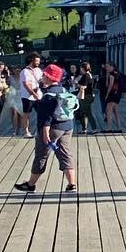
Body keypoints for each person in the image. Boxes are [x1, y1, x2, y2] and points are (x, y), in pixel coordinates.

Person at [14, 63, 79, 195]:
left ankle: (30, 185)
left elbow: (46, 117)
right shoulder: (63, 90)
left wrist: (45, 133)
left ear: (49, 77)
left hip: (52, 128)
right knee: (65, 153)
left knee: (41, 155)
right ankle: (72, 184)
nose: (42, 76)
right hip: (67, 126)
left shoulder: (49, 95)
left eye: (44, 75)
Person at [18, 53, 45, 138]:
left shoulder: (39, 70)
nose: (38, 63)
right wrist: (33, 94)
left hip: (39, 94)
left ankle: (41, 130)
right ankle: (26, 132)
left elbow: (41, 80)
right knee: (26, 114)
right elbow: (26, 85)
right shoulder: (24, 71)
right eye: (37, 61)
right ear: (31, 60)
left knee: (42, 112)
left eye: (38, 61)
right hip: (27, 96)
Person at [99, 62, 123, 131]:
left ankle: (108, 128)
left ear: (112, 67)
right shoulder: (117, 73)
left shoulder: (112, 75)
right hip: (117, 94)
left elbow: (109, 85)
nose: (106, 68)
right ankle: (119, 128)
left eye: (108, 67)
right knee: (116, 112)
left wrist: (107, 95)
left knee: (108, 111)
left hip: (112, 94)